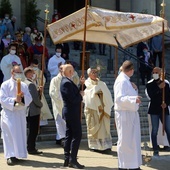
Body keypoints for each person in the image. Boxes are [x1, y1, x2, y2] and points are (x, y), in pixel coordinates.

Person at [0, 65, 32, 165]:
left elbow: (29, 98)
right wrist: (15, 100)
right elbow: (2, 99)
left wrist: (22, 98)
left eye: (20, 72)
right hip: (10, 114)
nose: (18, 74)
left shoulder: (24, 85)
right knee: (9, 135)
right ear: (12, 73)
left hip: (20, 114)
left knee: (20, 134)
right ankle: (10, 155)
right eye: (16, 72)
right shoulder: (5, 85)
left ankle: (18, 154)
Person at [113, 60, 142, 170]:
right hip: (124, 115)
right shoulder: (122, 81)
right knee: (126, 141)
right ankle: (124, 166)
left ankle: (133, 165)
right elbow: (119, 99)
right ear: (130, 70)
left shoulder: (126, 80)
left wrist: (134, 90)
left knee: (133, 140)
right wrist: (134, 99)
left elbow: (128, 94)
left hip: (130, 114)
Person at [60, 64, 85, 169]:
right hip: (71, 112)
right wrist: (81, 95)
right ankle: (72, 159)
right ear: (69, 72)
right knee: (77, 135)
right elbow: (73, 99)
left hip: (71, 112)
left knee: (69, 134)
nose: (73, 72)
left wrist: (81, 84)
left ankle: (67, 159)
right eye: (72, 70)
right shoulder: (66, 83)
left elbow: (75, 93)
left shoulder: (68, 81)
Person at [83, 67, 113, 152]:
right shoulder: (86, 83)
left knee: (104, 127)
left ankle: (105, 146)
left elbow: (107, 94)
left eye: (96, 72)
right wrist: (95, 91)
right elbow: (86, 94)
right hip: (92, 109)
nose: (95, 74)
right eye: (93, 72)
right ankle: (95, 146)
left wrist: (100, 92)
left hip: (103, 108)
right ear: (89, 74)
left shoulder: (102, 83)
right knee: (94, 126)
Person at [145, 67, 170, 156]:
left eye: (156, 72)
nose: (155, 73)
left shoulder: (165, 84)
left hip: (164, 109)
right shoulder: (150, 84)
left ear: (160, 74)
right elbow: (151, 96)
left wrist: (166, 104)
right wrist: (159, 88)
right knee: (154, 129)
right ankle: (155, 149)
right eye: (153, 72)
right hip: (154, 109)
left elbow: (168, 96)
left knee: (168, 129)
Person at [24, 67, 43, 155]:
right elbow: (34, 98)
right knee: (33, 130)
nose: (33, 75)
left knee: (31, 130)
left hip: (29, 110)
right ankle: (31, 148)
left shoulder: (25, 83)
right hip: (33, 110)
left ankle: (30, 146)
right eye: (32, 73)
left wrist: (38, 90)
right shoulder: (30, 84)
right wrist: (40, 104)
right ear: (28, 74)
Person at [30, 59, 52, 126]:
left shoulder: (39, 72)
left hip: (38, 90)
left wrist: (39, 84)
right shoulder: (29, 71)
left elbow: (43, 80)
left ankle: (40, 123)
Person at [49, 64, 66, 146]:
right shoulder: (55, 80)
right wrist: (60, 96)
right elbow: (52, 92)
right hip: (58, 103)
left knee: (66, 121)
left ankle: (62, 137)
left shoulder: (68, 79)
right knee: (59, 121)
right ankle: (62, 138)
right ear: (60, 70)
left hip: (67, 104)